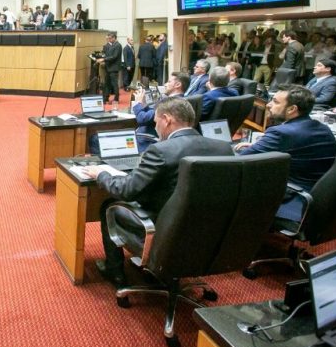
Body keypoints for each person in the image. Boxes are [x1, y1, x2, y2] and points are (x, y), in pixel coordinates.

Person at [81, 98, 234, 286]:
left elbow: (127, 190)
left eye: (155, 122)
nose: (155, 128)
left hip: (166, 226)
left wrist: (102, 174)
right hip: (207, 230)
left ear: (167, 119)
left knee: (108, 205)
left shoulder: (160, 151)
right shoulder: (223, 148)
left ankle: (115, 271)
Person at [235, 85, 336, 220]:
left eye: (276, 102)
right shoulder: (322, 128)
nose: (269, 105)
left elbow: (240, 160)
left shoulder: (282, 133)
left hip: (293, 196)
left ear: (292, 109)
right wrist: (259, 145)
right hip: (320, 197)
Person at [131, 72, 190, 152]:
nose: (165, 84)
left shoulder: (170, 103)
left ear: (177, 85)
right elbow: (153, 114)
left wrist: (137, 104)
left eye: (169, 82)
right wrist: (144, 105)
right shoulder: (179, 100)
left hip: (147, 140)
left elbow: (142, 119)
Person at [97, 32, 122, 104]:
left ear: (114, 38)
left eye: (110, 38)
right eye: (108, 38)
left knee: (114, 84)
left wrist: (104, 59)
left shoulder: (118, 45)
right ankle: (105, 98)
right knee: (107, 84)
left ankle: (116, 99)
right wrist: (101, 57)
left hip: (114, 68)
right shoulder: (110, 45)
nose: (109, 40)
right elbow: (107, 54)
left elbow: (114, 56)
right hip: (108, 67)